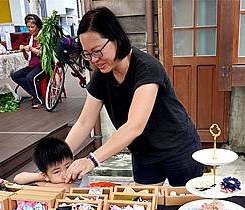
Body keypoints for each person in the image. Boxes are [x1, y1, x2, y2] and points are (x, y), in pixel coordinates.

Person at [64, 7, 203, 186]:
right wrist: (60, 159)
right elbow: (84, 122)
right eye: (87, 54)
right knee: (145, 208)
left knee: (186, 208)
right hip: (143, 153)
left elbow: (134, 126)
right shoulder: (101, 75)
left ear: (116, 39)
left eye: (97, 51)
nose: (93, 59)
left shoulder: (147, 68)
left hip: (178, 147)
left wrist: (92, 159)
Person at [11, 14, 45, 109]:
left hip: (43, 64)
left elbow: (43, 54)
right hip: (32, 65)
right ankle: (34, 94)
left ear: (38, 26)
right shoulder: (29, 39)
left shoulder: (43, 37)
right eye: (28, 27)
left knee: (31, 77)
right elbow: (27, 58)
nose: (30, 29)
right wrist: (24, 51)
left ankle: (40, 100)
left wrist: (31, 48)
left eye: (32, 27)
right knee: (15, 76)